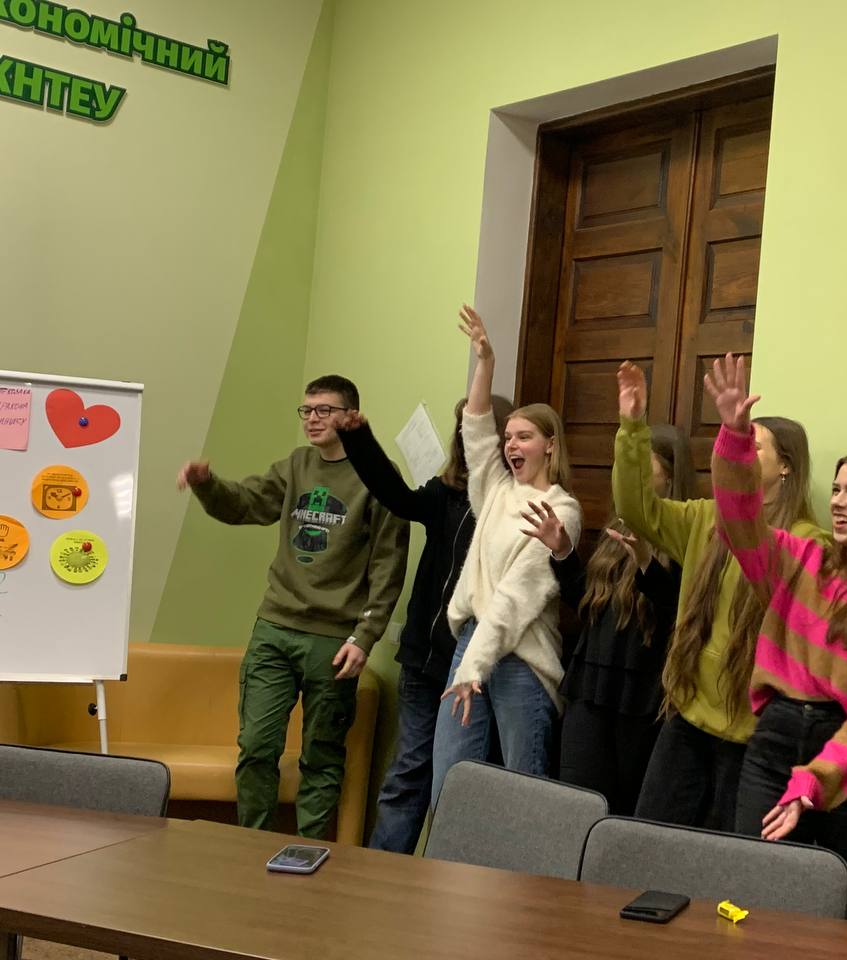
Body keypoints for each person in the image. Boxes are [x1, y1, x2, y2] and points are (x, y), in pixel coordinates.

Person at [705, 353, 847, 925]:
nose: (837, 502)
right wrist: (734, 438)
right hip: (776, 744)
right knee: (751, 908)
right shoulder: (800, 558)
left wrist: (815, 782)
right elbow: (737, 519)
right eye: (835, 489)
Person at [176, 374, 408, 838]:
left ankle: (310, 856)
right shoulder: (297, 465)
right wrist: (206, 485)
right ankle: (251, 847)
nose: (312, 419)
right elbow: (244, 504)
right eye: (306, 410)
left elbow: (388, 566)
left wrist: (365, 637)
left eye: (324, 410)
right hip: (275, 628)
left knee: (321, 757)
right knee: (256, 747)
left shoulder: (378, 476)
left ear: (350, 416)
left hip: (334, 640)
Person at [613, 360, 825, 832]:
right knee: (650, 840)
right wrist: (632, 428)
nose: (743, 450)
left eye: (755, 444)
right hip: (688, 716)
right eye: (740, 442)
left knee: (726, 863)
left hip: (755, 736)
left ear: (786, 466)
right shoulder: (705, 518)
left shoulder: (809, 545)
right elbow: (637, 509)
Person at [335, 394, 513, 854]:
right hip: (425, 660)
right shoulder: (445, 494)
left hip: (473, 671)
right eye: (462, 429)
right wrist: (359, 439)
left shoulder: (510, 504)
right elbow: (396, 497)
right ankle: (380, 873)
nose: (466, 438)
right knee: (407, 775)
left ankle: (442, 877)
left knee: (455, 782)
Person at [429, 306, 581, 811]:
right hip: (472, 644)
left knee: (521, 797)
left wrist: (473, 667)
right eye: (509, 436)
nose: (511, 444)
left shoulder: (560, 509)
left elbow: (514, 601)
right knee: (450, 784)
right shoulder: (495, 489)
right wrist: (486, 362)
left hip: (522, 658)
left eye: (524, 436)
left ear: (549, 446)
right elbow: (475, 431)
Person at [521, 424, 695, 815]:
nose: (626, 474)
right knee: (576, 805)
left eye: (640, 465)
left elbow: (676, 612)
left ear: (670, 474)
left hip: (642, 696)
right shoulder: (618, 524)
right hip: (591, 685)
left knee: (625, 813)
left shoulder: (688, 531)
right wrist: (563, 552)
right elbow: (588, 604)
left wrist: (647, 562)